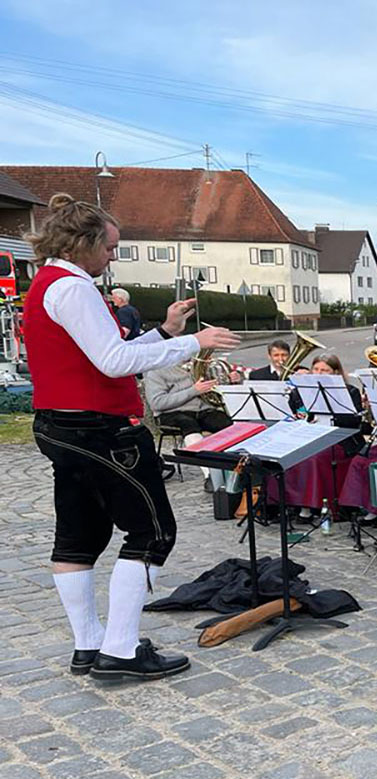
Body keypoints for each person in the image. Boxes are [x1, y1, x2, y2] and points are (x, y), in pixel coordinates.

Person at [25, 193, 240, 681]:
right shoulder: (74, 289)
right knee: (152, 532)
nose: (113, 256)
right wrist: (195, 341)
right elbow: (114, 363)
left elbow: (108, 353)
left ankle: (89, 646)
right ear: (83, 243)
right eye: (110, 247)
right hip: (98, 428)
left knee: (78, 538)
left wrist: (165, 332)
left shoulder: (50, 284)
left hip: (63, 424)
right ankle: (120, 649)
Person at [273, 353, 368, 521]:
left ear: (335, 373)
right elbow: (291, 413)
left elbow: (353, 421)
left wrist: (329, 417)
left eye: (325, 370)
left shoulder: (349, 391)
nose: (318, 373)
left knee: (312, 458)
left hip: (339, 439)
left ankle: (309, 506)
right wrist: (299, 418)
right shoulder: (300, 391)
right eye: (316, 369)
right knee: (282, 454)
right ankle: (286, 503)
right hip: (307, 436)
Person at [143, 360, 234, 491]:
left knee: (226, 422)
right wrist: (193, 390)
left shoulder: (203, 365)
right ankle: (209, 475)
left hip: (202, 409)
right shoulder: (156, 371)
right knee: (188, 424)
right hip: (172, 412)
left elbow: (217, 389)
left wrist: (231, 380)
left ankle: (236, 469)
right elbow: (157, 403)